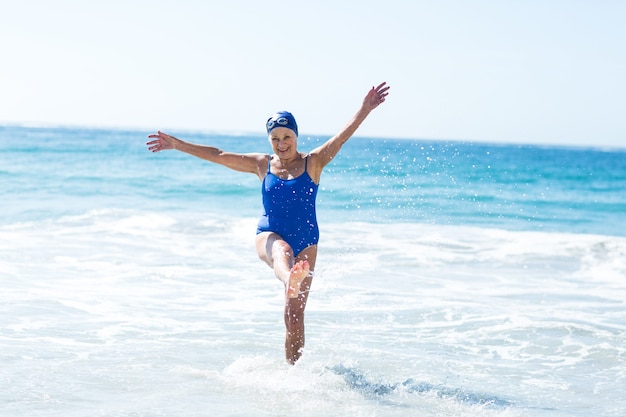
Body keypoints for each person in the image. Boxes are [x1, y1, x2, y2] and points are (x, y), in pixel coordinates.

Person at [146, 82, 390, 364]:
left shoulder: (314, 163)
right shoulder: (262, 164)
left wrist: (365, 108)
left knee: (294, 316)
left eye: (287, 137)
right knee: (282, 252)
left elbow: (341, 137)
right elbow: (219, 155)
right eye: (275, 138)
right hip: (270, 235)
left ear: (296, 136)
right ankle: (289, 278)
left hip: (307, 242)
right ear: (269, 140)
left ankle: (293, 374)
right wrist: (177, 144)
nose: (282, 144)